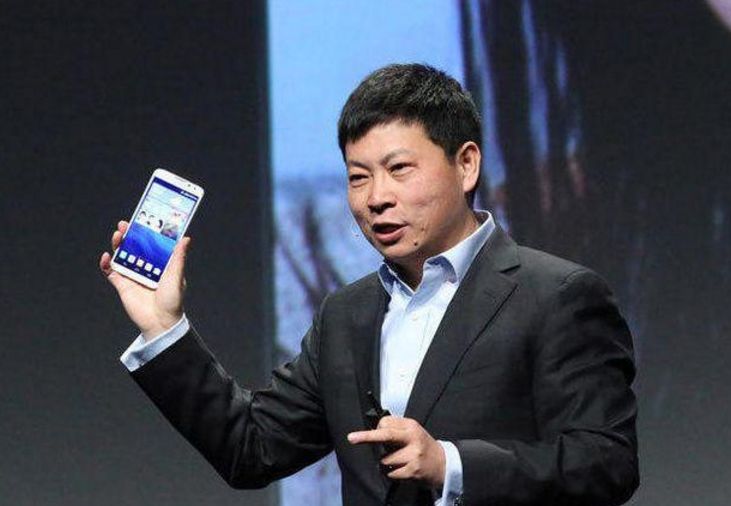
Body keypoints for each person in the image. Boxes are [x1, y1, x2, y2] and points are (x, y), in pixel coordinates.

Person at [100, 63, 639, 506]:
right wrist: (164, 326)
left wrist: (449, 465)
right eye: (358, 177)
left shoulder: (557, 296)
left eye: (399, 169)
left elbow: (606, 464)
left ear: (466, 165)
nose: (376, 197)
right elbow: (251, 448)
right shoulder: (346, 315)